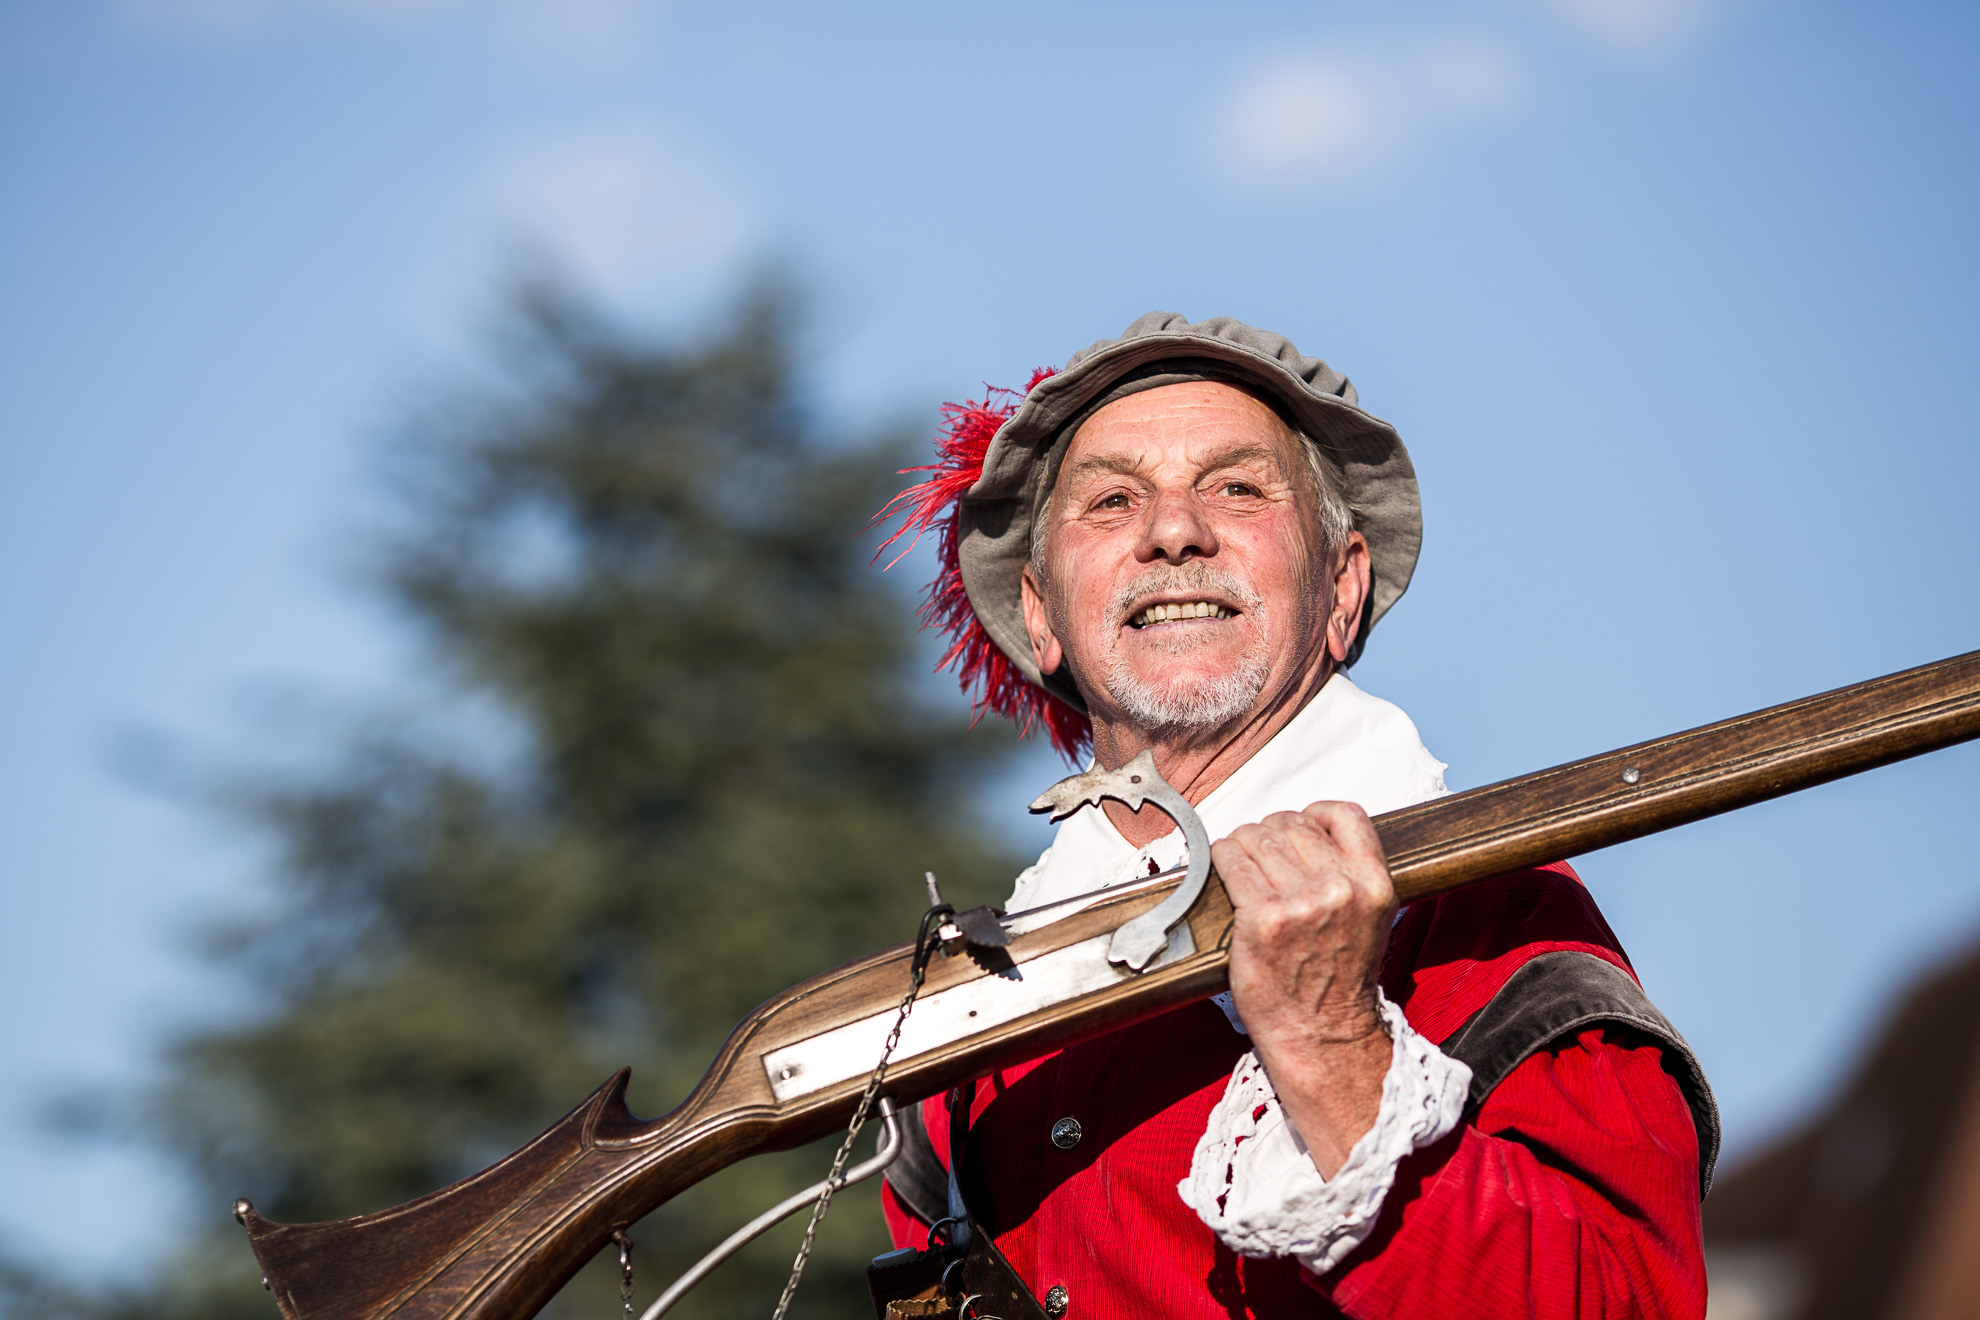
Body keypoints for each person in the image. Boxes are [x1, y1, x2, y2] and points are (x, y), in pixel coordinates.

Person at [870, 314, 1718, 1319]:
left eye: (1237, 487)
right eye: (1111, 500)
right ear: (1042, 616)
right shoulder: (961, 1048)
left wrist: (1333, 1049)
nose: (1174, 531)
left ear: (1342, 589)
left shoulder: (1498, 919)